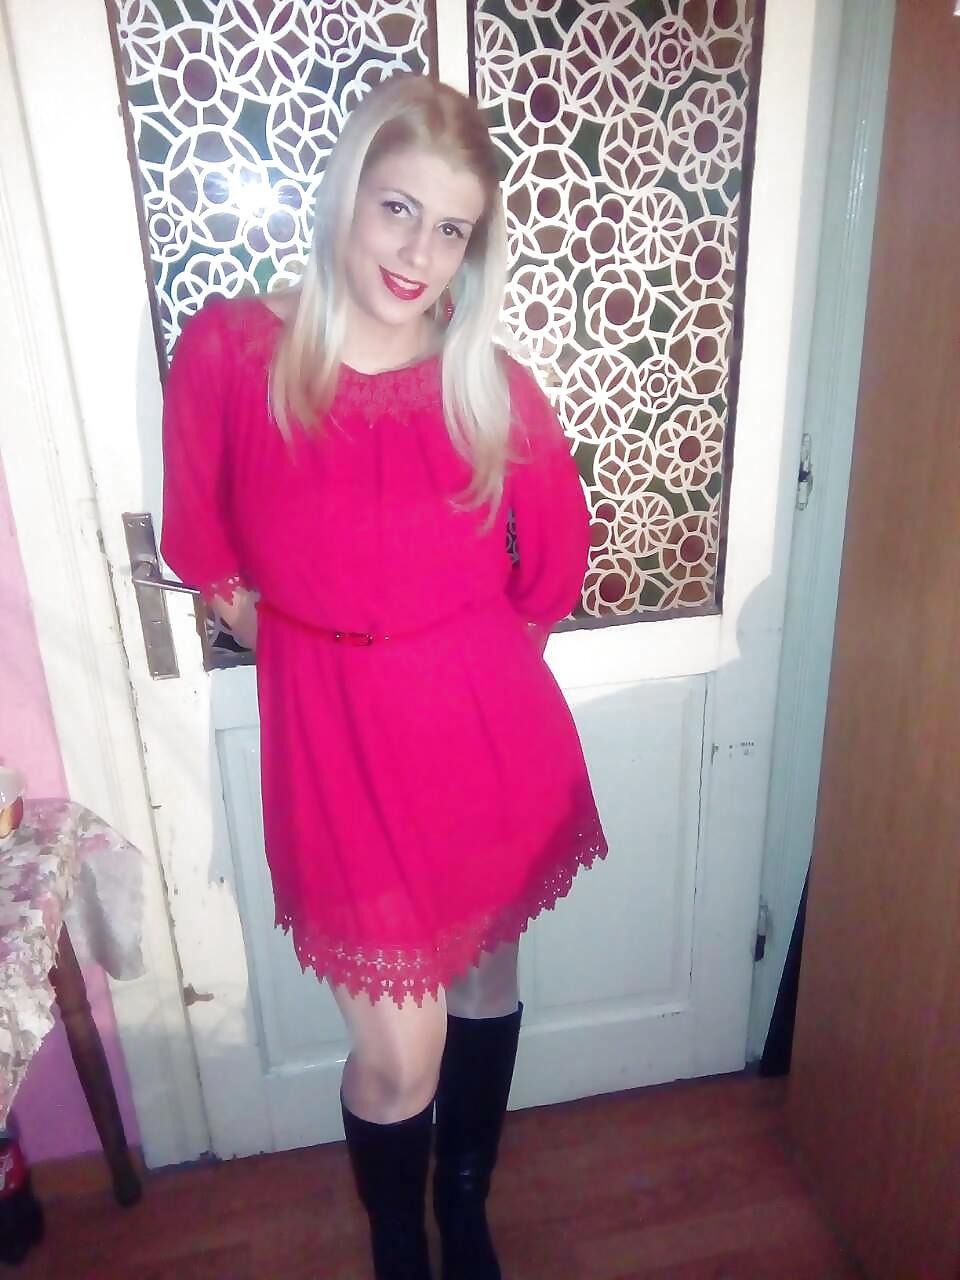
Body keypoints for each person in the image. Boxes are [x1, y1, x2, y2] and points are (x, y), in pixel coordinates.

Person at [160, 72, 607, 1280]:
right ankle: (398, 1236)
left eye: (451, 228)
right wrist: (304, 634)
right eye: (398, 208)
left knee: (486, 979)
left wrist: (448, 659)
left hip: (483, 737)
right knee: (400, 1053)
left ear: (474, 248)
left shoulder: (487, 384)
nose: (418, 252)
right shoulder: (233, 352)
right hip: (336, 752)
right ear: (346, 193)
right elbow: (200, 547)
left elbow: (550, 572)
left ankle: (465, 1202)